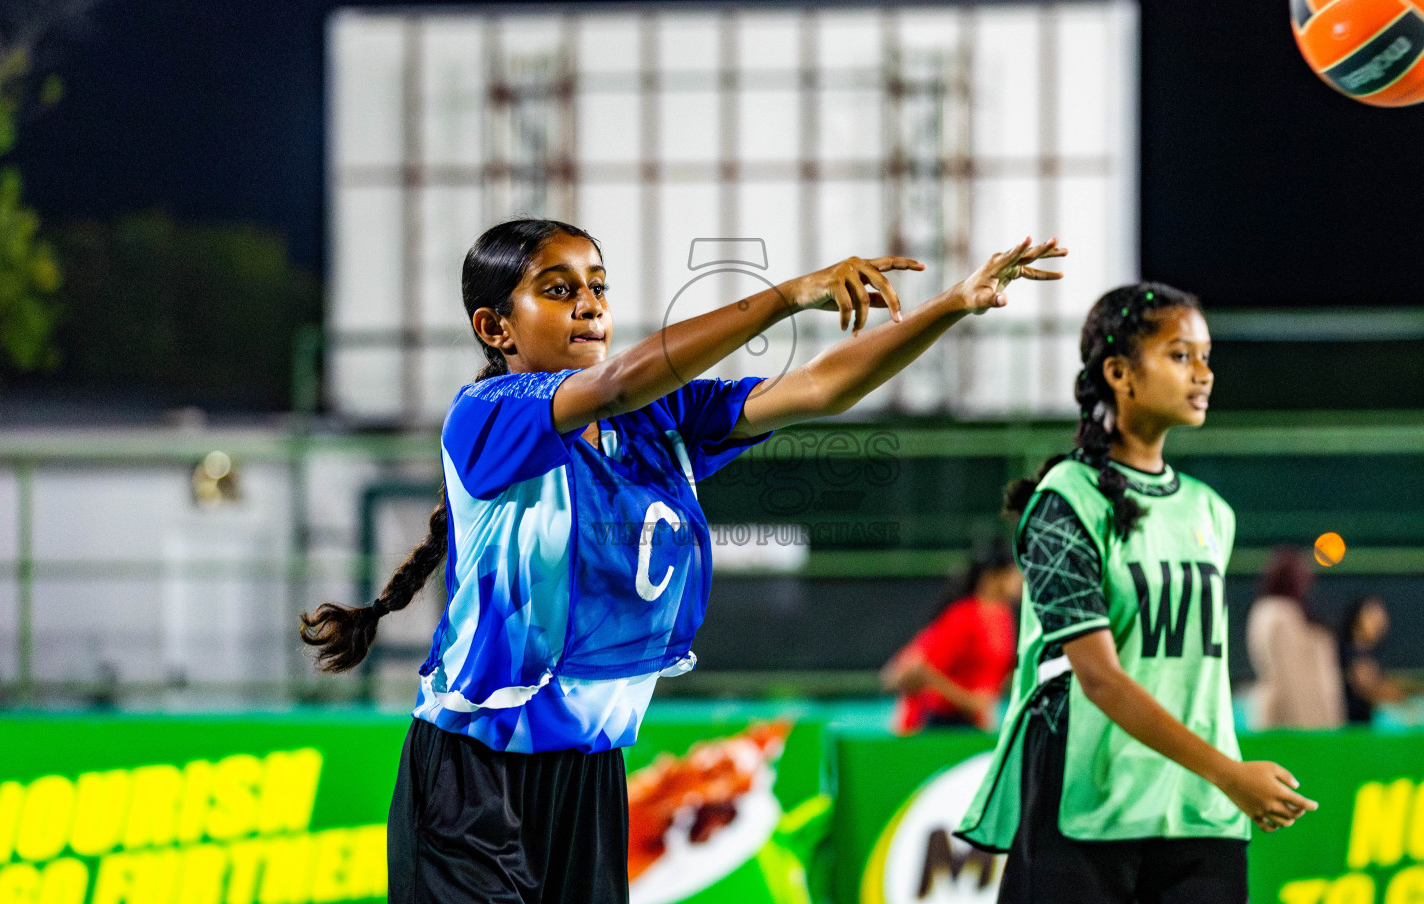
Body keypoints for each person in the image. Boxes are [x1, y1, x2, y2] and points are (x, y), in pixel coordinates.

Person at [298, 217, 1067, 904]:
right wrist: (791, 295)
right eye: (558, 290)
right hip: (473, 775)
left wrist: (952, 306)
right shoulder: (489, 417)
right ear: (495, 327)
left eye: (597, 286)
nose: (590, 304)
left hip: (588, 774)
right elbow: (623, 377)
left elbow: (824, 386)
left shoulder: (660, 417)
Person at [956, 283, 1317, 904]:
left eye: (1206, 356)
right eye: (1180, 355)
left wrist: (1220, 779)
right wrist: (1231, 774)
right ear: (1119, 373)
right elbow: (1099, 678)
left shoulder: (1211, 512)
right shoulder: (1063, 503)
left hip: (1197, 811)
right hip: (1090, 804)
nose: (1203, 374)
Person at [881, 536, 1024, 733]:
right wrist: (931, 680)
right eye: (1016, 571)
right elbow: (900, 674)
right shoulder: (963, 617)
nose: (1022, 578)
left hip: (973, 728)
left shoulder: (1003, 616)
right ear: (994, 577)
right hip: (937, 728)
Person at [1245, 547, 1344, 730]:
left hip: (1272, 707)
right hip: (1288, 716)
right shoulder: (1282, 614)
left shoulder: (1263, 610)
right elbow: (1292, 674)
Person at [1337, 595, 1408, 725]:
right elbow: (1368, 689)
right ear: (1357, 618)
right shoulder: (1349, 651)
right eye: (1372, 615)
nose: (1379, 620)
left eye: (1381, 614)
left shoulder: (1372, 651)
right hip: (1350, 729)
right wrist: (1406, 702)